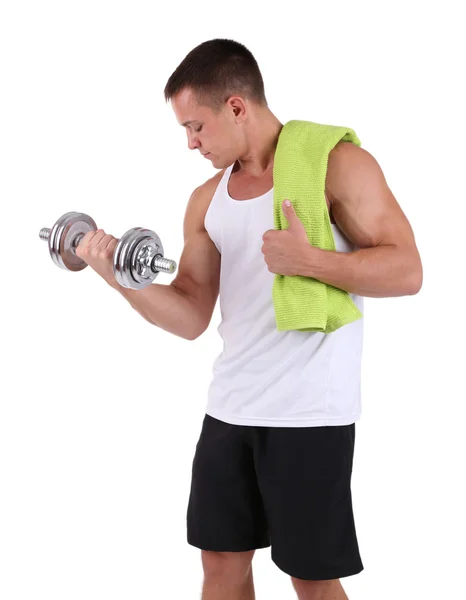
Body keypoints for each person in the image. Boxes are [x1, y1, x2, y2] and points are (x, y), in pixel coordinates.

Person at [76, 38, 423, 600]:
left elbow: (408, 270)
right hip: (231, 408)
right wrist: (117, 276)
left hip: (311, 414)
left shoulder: (336, 165)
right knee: (219, 562)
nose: (190, 143)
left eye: (196, 126)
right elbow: (189, 314)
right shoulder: (205, 200)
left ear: (236, 107)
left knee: (310, 578)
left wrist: (311, 260)